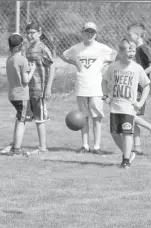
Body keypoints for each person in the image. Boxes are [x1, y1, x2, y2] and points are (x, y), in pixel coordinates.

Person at [61, 22, 117, 155]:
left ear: (96, 34)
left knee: (96, 117)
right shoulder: (76, 48)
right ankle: (85, 145)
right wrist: (75, 63)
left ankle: (96, 146)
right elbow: (64, 55)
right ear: (82, 33)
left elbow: (115, 55)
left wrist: (105, 63)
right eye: (87, 31)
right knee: (83, 117)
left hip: (96, 88)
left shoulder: (101, 48)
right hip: (81, 86)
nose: (90, 34)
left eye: (93, 32)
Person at [1, 22, 55, 156]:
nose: (30, 35)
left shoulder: (43, 48)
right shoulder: (26, 48)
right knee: (22, 117)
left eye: (33, 32)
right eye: (28, 33)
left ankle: (42, 147)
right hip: (26, 90)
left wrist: (48, 88)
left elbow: (52, 67)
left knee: (39, 119)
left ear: (40, 33)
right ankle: (15, 145)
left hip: (38, 89)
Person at [102, 39, 151, 168]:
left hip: (129, 108)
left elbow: (146, 86)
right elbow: (104, 81)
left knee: (127, 133)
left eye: (133, 51)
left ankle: (126, 160)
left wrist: (140, 103)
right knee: (114, 134)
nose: (131, 53)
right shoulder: (113, 67)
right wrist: (105, 96)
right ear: (121, 52)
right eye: (128, 50)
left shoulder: (137, 68)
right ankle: (128, 152)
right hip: (115, 107)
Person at [126, 23, 151, 154]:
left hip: (139, 88)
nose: (128, 36)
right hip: (133, 87)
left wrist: (138, 76)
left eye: (130, 34)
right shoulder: (134, 49)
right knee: (132, 117)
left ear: (137, 35)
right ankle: (137, 148)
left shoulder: (142, 48)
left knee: (128, 115)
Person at [2, 33, 36, 156]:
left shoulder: (9, 59)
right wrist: (32, 70)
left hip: (13, 95)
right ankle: (17, 149)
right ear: (22, 46)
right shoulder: (22, 60)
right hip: (21, 95)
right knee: (22, 121)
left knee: (19, 119)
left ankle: (15, 145)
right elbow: (25, 80)